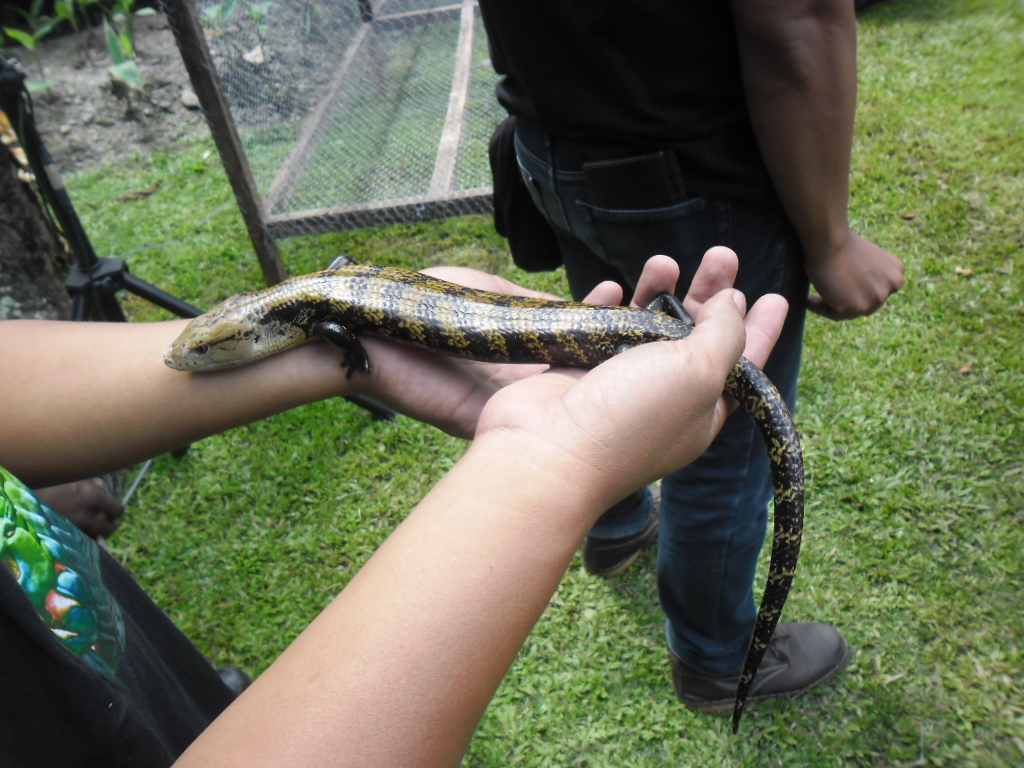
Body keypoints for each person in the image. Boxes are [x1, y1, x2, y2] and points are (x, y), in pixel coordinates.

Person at [0, 251, 785, 766]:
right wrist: (555, 452)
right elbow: (341, 310)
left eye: (210, 348)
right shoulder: (308, 305)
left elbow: (343, 330)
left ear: (269, 322)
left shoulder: (312, 317)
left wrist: (556, 452)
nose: (192, 357)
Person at [478, 0, 906, 713]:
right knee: (722, 446)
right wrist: (830, 241)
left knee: (604, 360)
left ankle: (615, 530)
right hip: (690, 173)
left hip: (552, 149)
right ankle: (715, 660)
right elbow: (796, 19)